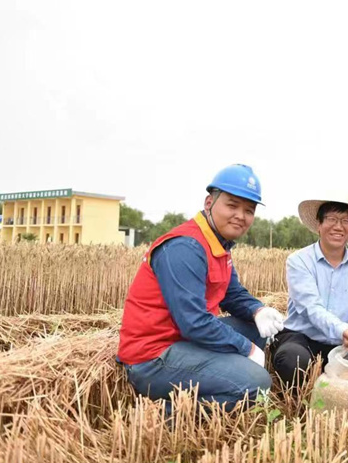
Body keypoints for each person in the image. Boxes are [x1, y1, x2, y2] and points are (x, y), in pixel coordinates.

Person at [117, 164, 285, 414]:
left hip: (183, 342)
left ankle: (219, 378)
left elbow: (231, 293)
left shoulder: (217, 244)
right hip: (153, 357)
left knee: (254, 328)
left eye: (249, 210)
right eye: (232, 205)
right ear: (209, 202)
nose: (241, 215)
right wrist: (245, 349)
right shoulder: (185, 247)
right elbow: (194, 322)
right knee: (256, 383)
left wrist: (257, 310)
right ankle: (161, 415)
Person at [270, 198, 348, 387]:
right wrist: (344, 330)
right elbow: (311, 308)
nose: (338, 226)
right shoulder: (299, 261)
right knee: (293, 362)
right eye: (331, 219)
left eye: (345, 221)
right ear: (319, 224)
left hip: (344, 342)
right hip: (302, 336)